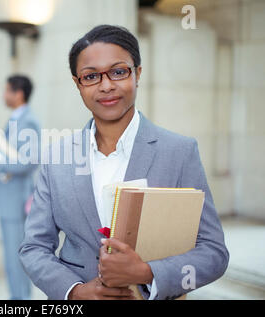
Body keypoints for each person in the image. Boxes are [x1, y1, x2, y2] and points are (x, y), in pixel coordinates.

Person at [19, 25, 229, 300]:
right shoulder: (57, 158)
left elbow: (213, 251)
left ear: (138, 73)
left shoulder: (178, 152)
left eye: (118, 72)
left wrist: (147, 272)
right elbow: (33, 247)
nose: (106, 85)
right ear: (78, 84)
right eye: (91, 76)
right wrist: (75, 292)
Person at [0, 75, 40, 300]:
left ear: (18, 93)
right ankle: (17, 299)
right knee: (11, 259)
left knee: (16, 258)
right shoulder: (14, 119)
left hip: (16, 199)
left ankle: (21, 301)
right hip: (7, 198)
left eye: (6, 90)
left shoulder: (28, 121)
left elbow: (28, 161)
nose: (3, 95)